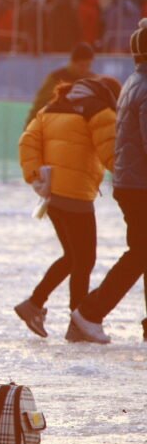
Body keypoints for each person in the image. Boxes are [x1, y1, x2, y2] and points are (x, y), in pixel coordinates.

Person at [15, 77, 118, 337]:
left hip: (53, 195)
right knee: (84, 259)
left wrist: (36, 175)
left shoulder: (51, 108)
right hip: (76, 194)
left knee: (73, 257)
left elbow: (27, 141)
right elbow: (111, 152)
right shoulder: (98, 109)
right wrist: (129, 174)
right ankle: (79, 321)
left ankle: (34, 304)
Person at [71, 19, 147, 343]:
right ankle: (89, 312)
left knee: (143, 252)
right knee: (140, 254)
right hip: (141, 185)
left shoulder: (135, 80)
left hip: (132, 182)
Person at [25, 42, 95, 127]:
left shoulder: (91, 80)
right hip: (55, 126)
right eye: (81, 65)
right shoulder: (56, 78)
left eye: (88, 65)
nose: (85, 69)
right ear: (72, 63)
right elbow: (40, 104)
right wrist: (29, 126)